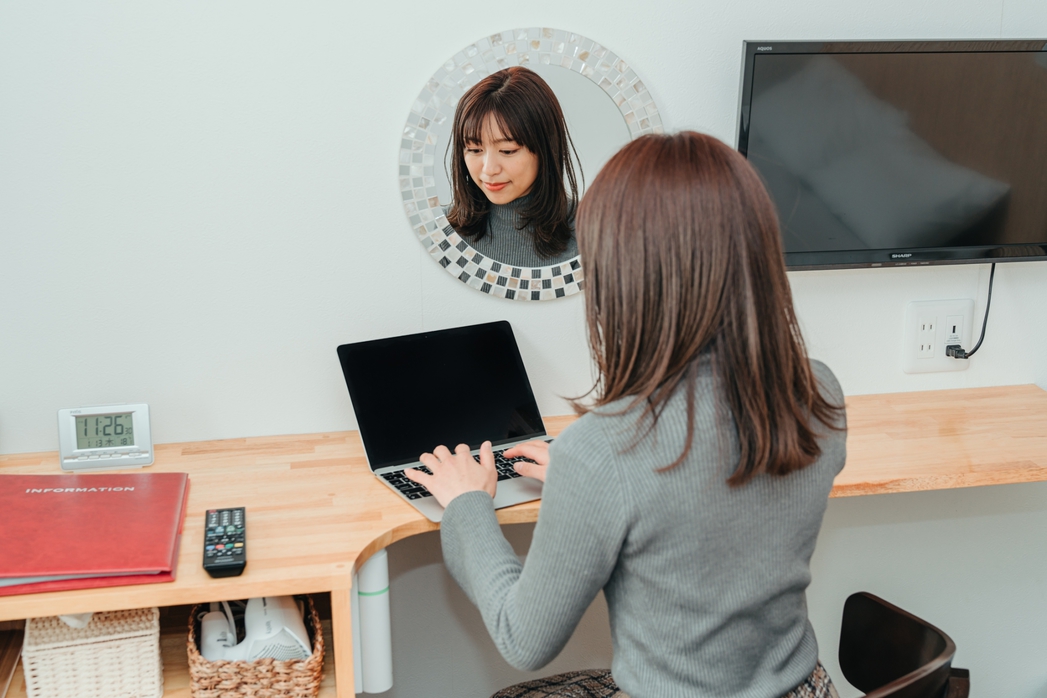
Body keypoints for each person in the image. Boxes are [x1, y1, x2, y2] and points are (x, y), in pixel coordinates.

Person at [406, 132, 847, 698]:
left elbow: (523, 638)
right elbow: (712, 502)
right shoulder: (818, 391)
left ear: (624, 272)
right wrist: (583, 480)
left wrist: (467, 504)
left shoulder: (607, 449)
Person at [445, 66, 581, 268]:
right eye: (474, 150)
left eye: (507, 151)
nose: (489, 170)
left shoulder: (591, 233)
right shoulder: (440, 232)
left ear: (545, 148)